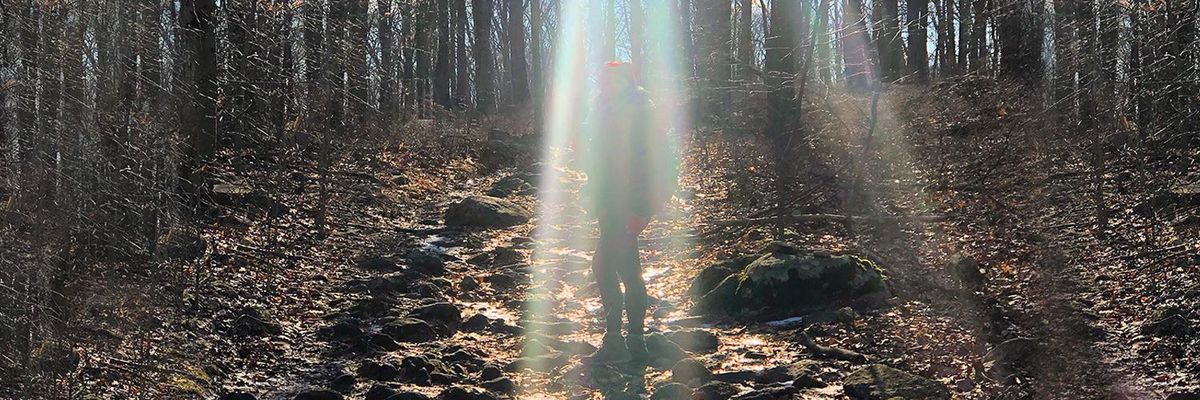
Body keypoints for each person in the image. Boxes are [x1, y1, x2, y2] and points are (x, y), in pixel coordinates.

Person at [578, 61, 677, 365]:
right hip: (609, 204)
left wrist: (642, 209)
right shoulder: (603, 109)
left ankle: (619, 342)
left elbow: (656, 164)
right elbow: (599, 159)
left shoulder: (640, 111)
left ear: (628, 82)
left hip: (628, 205)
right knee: (624, 269)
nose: (607, 85)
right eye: (605, 80)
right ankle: (632, 342)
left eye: (614, 80)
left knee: (608, 267)